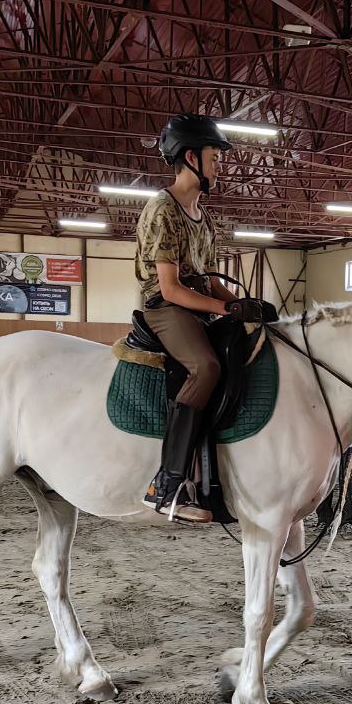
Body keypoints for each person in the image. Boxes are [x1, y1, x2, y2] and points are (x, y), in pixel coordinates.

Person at [136, 113, 274, 522]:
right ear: (191, 156)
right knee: (206, 366)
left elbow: (211, 282)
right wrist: (225, 308)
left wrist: (246, 305)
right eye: (215, 156)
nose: (220, 164)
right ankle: (166, 484)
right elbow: (170, 289)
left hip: (197, 304)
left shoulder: (204, 217)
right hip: (165, 309)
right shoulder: (163, 209)